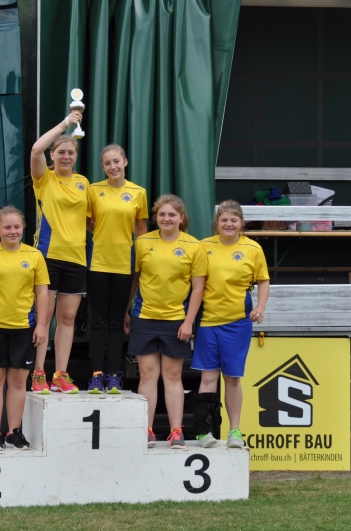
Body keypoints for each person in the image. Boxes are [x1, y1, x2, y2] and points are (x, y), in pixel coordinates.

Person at [126, 194, 206, 448]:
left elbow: (198, 288)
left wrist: (188, 322)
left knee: (172, 375)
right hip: (144, 318)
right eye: (162, 214)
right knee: (147, 375)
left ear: (182, 218)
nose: (167, 218)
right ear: (156, 217)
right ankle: (147, 431)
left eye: (172, 214)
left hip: (176, 320)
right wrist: (126, 311)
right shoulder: (143, 242)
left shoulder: (194, 246)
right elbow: (134, 280)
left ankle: (176, 432)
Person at [192, 200, 270, 449]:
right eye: (224, 220)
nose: (228, 224)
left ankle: (234, 431)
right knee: (208, 378)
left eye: (233, 220)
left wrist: (260, 307)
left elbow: (263, 281)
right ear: (217, 222)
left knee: (233, 378)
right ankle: (204, 432)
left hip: (237, 324)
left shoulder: (253, 248)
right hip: (208, 322)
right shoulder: (204, 246)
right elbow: (197, 285)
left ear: (241, 223)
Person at [0, 206, 49, 450]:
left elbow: (42, 292)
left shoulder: (34, 255)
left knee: (18, 382)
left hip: (24, 327)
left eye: (17, 226)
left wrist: (41, 325)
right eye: (7, 227)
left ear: (23, 228)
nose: (12, 231)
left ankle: (14, 432)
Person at [29, 111, 89, 394]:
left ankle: (60, 375)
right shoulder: (44, 178)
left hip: (76, 258)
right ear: (52, 155)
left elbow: (90, 221)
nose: (66, 157)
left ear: (75, 157)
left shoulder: (83, 183)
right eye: (61, 152)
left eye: (70, 153)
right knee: (44, 317)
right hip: (47, 256)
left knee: (67, 319)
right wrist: (65, 123)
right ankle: (38, 373)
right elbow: (35, 149)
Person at [86, 144, 148, 394]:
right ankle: (96, 375)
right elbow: (86, 221)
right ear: (102, 166)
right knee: (98, 322)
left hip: (124, 264)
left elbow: (141, 231)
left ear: (125, 162)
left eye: (116, 161)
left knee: (116, 323)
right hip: (98, 263)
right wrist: (101, 232)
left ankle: (113, 376)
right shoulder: (93, 190)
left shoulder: (138, 193)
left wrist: (143, 260)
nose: (112, 167)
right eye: (107, 163)